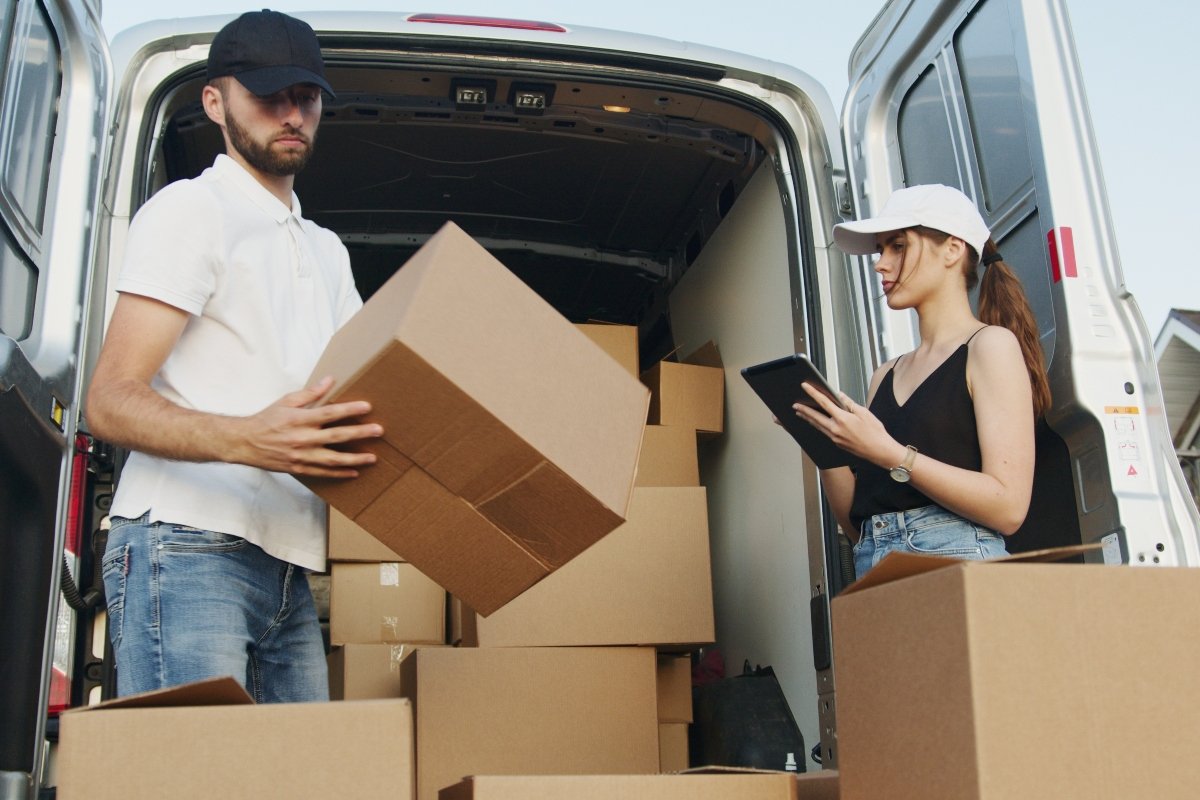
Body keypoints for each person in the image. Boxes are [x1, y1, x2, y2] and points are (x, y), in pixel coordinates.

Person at [86, 10, 382, 701]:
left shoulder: (325, 250)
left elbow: (369, 392)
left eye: (305, 98)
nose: (290, 114)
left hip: (290, 565)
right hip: (185, 548)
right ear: (216, 102)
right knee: (192, 777)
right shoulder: (193, 210)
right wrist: (252, 439)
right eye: (268, 95)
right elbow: (107, 400)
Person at [793, 184, 1051, 578]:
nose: (881, 264)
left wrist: (891, 453)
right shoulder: (885, 374)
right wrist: (819, 442)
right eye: (881, 251)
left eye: (898, 246)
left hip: (959, 561)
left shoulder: (990, 346)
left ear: (952, 249)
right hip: (875, 565)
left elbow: (1009, 506)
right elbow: (858, 525)